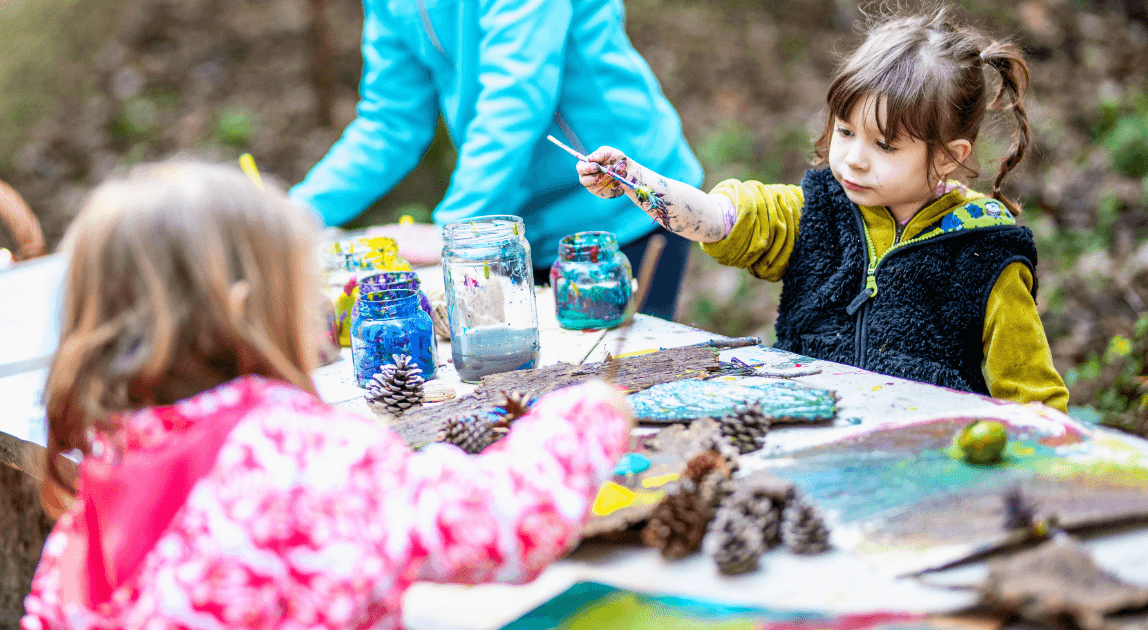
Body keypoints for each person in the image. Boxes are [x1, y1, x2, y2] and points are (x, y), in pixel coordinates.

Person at [22, 162, 633, 630]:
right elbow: (503, 521)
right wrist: (588, 414)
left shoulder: (96, 497)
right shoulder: (297, 458)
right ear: (241, 316)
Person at [574, 9, 1069, 412]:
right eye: (845, 130)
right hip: (809, 446)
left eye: (884, 145)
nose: (853, 156)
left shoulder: (986, 254)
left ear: (948, 156)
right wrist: (638, 182)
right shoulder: (817, 211)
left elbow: (1035, 402)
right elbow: (720, 218)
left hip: (922, 468)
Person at [290, 0, 703, 321]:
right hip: (514, 220)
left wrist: (456, 228)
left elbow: (518, 93)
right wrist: (294, 215)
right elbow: (390, 120)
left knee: (620, 389)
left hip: (619, 206)